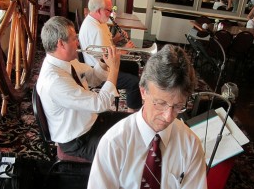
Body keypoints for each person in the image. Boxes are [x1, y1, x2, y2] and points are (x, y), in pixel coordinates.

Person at [87, 44, 207, 189]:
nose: (168, 117)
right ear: (143, 92)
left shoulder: (191, 145)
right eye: (160, 103)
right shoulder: (114, 143)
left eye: (177, 106)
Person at [37, 16, 129, 161]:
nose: (78, 42)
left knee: (133, 122)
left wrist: (104, 63)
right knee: (124, 153)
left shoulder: (67, 61)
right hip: (78, 140)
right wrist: (114, 69)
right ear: (61, 44)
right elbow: (100, 104)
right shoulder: (55, 81)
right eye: (74, 39)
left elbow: (93, 77)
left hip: (90, 121)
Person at [79, 0, 142, 113]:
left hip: (103, 63)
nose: (111, 13)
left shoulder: (97, 21)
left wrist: (116, 39)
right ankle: (130, 114)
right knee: (134, 82)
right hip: (99, 71)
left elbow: (105, 46)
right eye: (108, 10)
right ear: (98, 10)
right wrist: (124, 49)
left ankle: (131, 101)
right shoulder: (95, 29)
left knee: (133, 66)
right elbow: (105, 60)